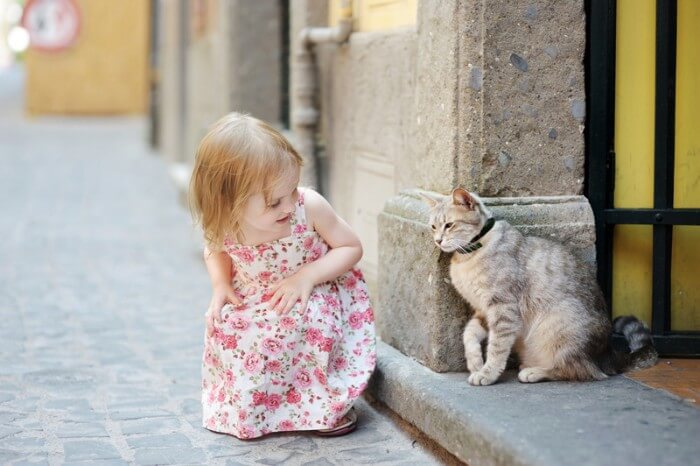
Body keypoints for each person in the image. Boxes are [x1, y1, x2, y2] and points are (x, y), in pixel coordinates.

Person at [188, 112, 376, 439]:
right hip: (255, 292)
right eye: (274, 202)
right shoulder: (226, 222)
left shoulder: (309, 207)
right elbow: (213, 248)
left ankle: (322, 405)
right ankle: (253, 406)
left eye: (291, 191)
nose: (288, 206)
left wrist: (306, 276)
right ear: (229, 203)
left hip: (312, 286)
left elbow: (350, 247)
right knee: (229, 326)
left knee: (307, 321)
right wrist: (220, 284)